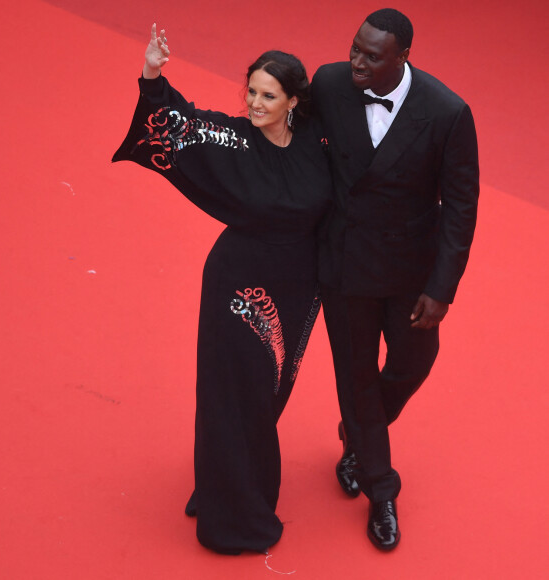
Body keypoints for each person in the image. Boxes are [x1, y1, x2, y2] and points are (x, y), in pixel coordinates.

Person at [113, 24, 332, 554]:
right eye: (251, 91)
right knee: (230, 395)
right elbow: (179, 122)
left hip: (297, 289)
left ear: (294, 101)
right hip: (237, 288)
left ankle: (227, 483)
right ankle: (231, 518)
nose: (255, 103)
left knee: (267, 394)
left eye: (268, 95)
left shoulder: (317, 145)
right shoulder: (234, 140)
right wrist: (153, 73)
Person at [311, 8, 479, 550]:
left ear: (403, 56)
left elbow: (460, 206)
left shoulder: (448, 111)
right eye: (355, 48)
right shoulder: (330, 83)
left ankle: (358, 433)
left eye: (371, 55)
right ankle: (381, 490)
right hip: (345, 263)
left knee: (415, 362)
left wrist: (441, 289)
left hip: (411, 271)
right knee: (355, 376)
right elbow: (297, 149)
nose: (356, 61)